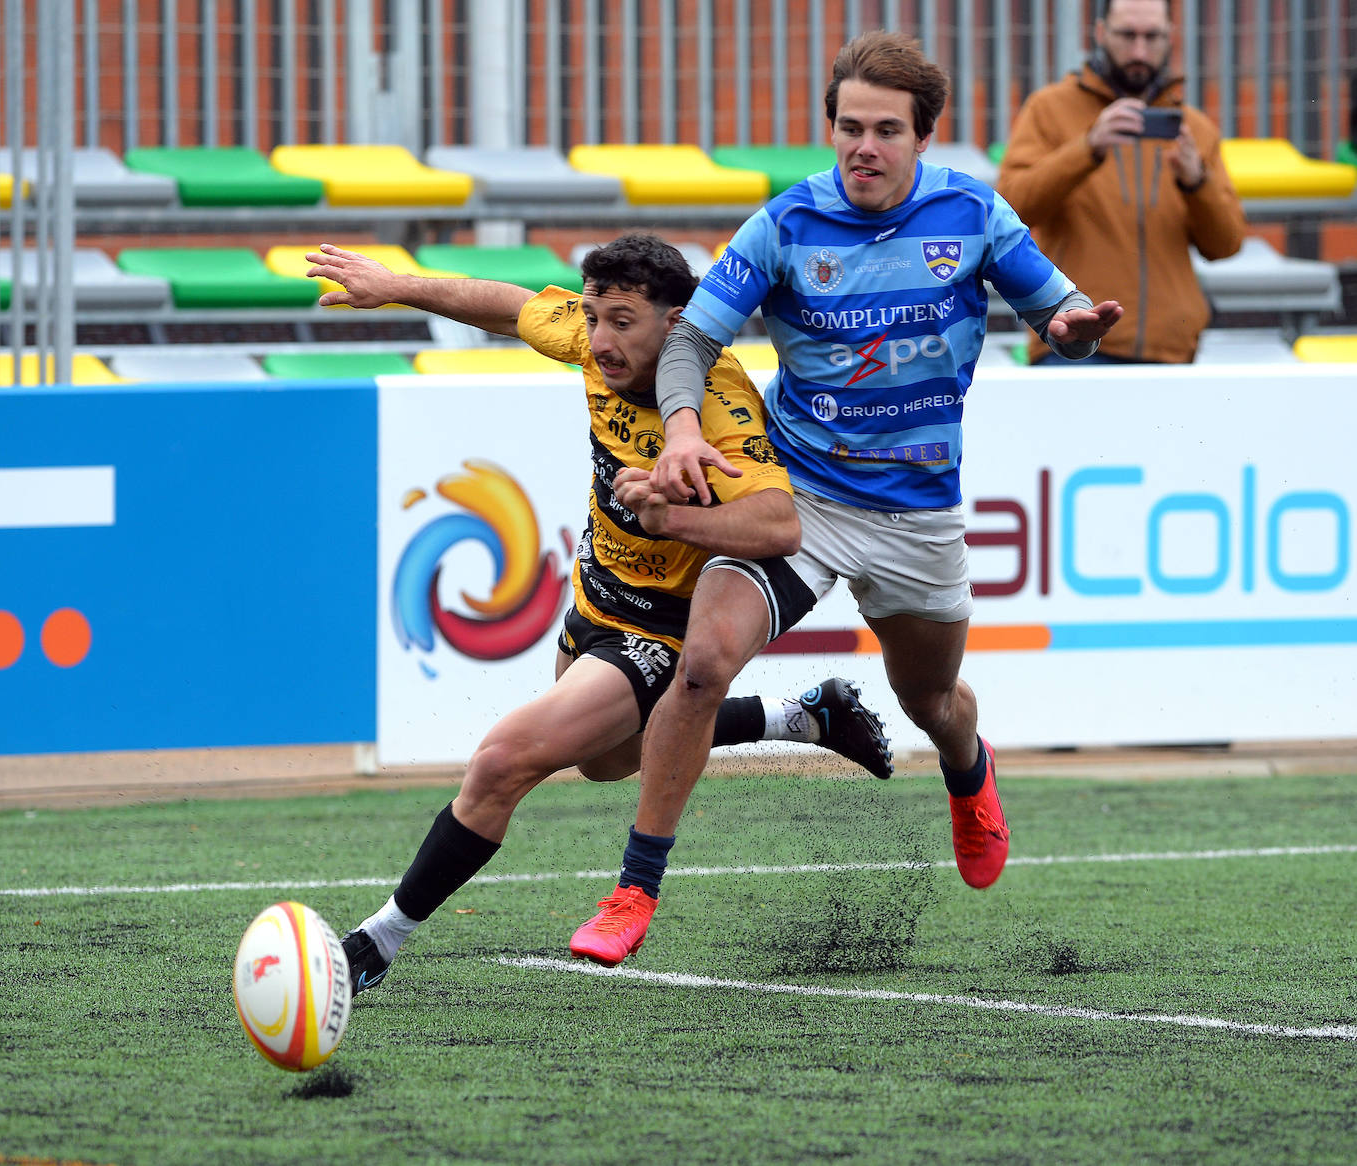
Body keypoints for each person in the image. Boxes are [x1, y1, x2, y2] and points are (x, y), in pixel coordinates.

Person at [566, 31, 1123, 967]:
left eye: (886, 131)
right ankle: (633, 889)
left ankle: (968, 770)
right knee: (702, 663)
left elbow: (1062, 317)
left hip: (917, 516)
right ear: (830, 128)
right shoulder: (784, 227)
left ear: (921, 138)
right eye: (848, 127)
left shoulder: (974, 215)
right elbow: (691, 344)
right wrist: (688, 429)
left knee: (933, 700)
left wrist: (1073, 333)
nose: (863, 146)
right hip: (800, 499)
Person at [301, 234, 893, 994]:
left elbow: (779, 526)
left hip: (659, 632)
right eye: (594, 318)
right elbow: (508, 306)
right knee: (607, 761)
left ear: (678, 325)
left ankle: (376, 943)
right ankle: (802, 717)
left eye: (622, 322)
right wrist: (394, 284)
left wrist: (669, 522)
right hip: (594, 601)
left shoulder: (718, 401)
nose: (601, 341)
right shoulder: (592, 342)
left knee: (500, 762)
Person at [997, 0, 1245, 365]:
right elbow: (1010, 209)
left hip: (1170, 349)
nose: (1140, 51)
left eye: (1152, 36)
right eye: (1127, 35)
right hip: (1074, 343)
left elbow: (1226, 244)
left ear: (1170, 38)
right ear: (1100, 33)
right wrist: (1088, 148)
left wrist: (1197, 183)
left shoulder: (1193, 127)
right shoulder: (1049, 109)